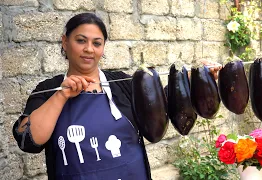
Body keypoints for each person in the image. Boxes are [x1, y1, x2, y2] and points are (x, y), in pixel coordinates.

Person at [12, 13, 222, 180]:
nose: (89, 49)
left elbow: (161, 106)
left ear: (103, 47)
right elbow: (28, 140)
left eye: (97, 43)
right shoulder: (49, 89)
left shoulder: (122, 83)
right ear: (65, 42)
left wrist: (195, 82)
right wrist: (62, 96)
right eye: (80, 40)